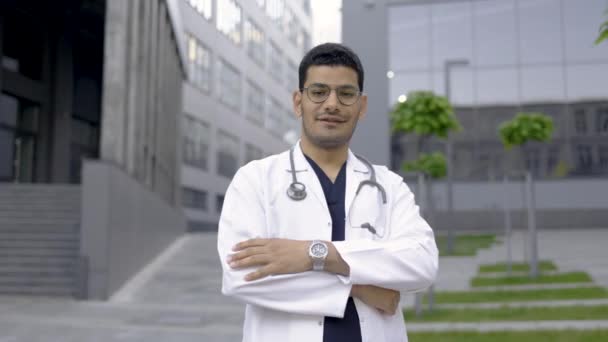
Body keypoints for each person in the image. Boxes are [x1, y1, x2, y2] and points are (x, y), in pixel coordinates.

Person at [217, 43, 438, 342]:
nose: (332, 104)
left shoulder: (389, 186)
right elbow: (242, 277)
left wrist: (314, 254)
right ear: (298, 102)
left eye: (346, 94)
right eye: (318, 92)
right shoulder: (255, 180)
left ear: (361, 106)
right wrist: (358, 286)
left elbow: (421, 263)